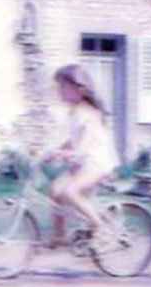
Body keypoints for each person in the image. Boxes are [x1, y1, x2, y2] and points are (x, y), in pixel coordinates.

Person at [42, 64, 116, 248]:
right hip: (82, 162)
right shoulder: (73, 112)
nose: (59, 91)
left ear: (79, 89)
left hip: (97, 162)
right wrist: (56, 150)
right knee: (55, 190)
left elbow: (86, 144)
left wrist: (68, 153)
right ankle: (58, 235)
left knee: (70, 192)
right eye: (58, 87)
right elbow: (74, 139)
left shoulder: (89, 113)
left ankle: (100, 226)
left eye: (63, 87)